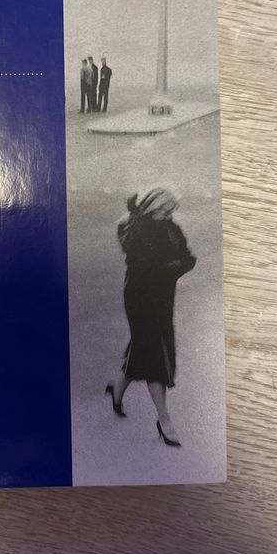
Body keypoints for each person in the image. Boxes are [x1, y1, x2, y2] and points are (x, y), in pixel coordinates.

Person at [105, 188, 196, 447]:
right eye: (166, 208)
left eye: (172, 209)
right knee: (156, 354)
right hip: (140, 298)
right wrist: (172, 266)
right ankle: (164, 421)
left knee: (144, 347)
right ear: (153, 206)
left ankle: (117, 390)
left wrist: (177, 265)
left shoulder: (170, 228)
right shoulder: (136, 230)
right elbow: (148, 268)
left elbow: (187, 258)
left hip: (163, 299)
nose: (171, 213)